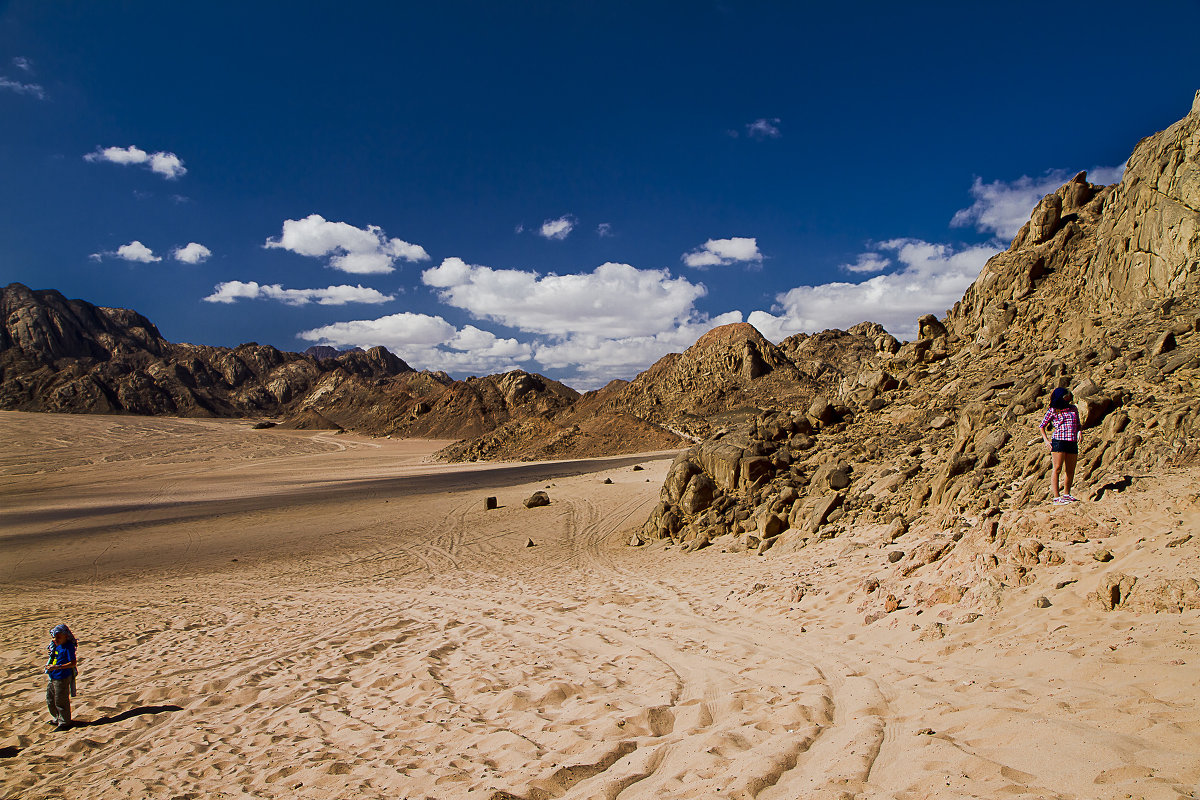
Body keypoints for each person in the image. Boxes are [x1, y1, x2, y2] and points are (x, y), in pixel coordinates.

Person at [1039, 387, 1081, 504]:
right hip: (1059, 441)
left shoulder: (1073, 409)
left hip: (1072, 441)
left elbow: (1077, 424)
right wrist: (1046, 441)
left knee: (1070, 470)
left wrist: (1079, 432)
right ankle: (1057, 497)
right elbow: (1042, 425)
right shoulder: (1054, 410)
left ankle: (1067, 494)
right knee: (1057, 469)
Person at [45, 623, 77, 731]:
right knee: (50, 699)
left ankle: (65, 722)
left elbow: (73, 663)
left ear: (65, 636)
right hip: (53, 676)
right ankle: (57, 718)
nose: (55, 639)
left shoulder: (68, 647)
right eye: (54, 637)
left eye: (58, 637)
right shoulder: (56, 645)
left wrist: (57, 667)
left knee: (61, 700)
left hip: (62, 677)